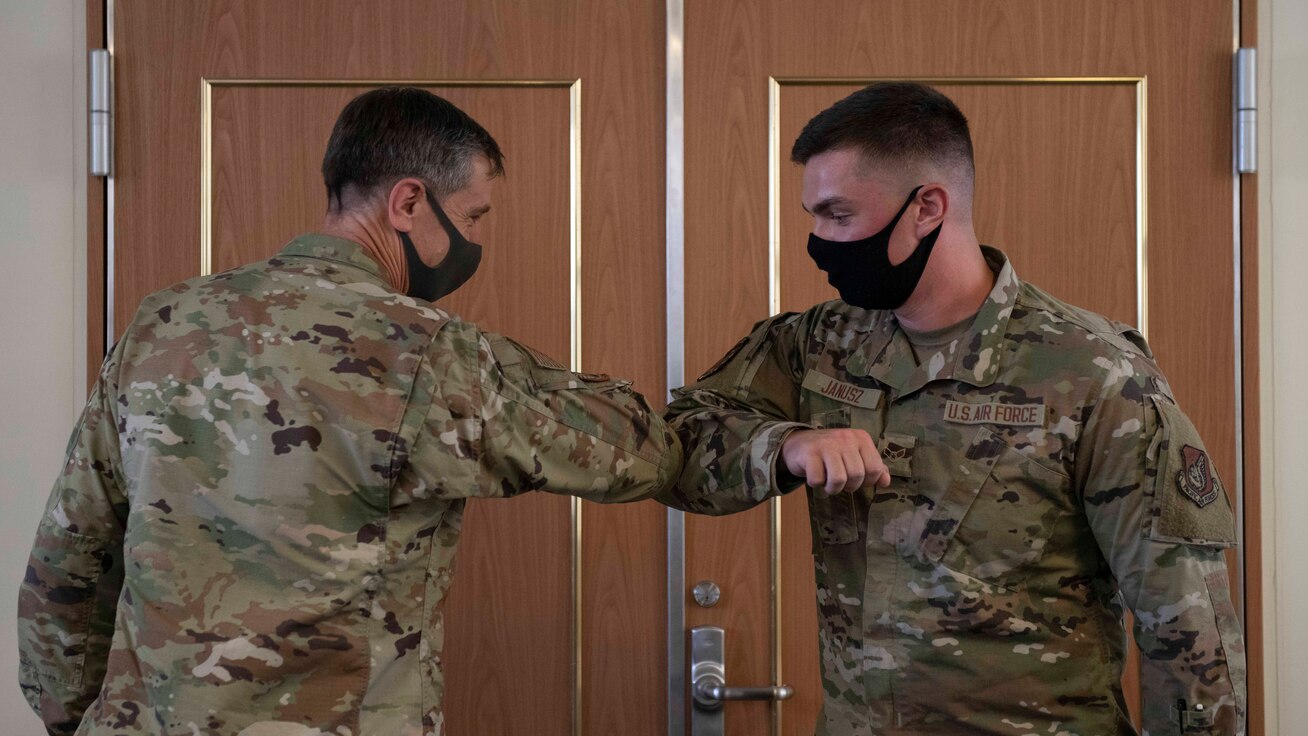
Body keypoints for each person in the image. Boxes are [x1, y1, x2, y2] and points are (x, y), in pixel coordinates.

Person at [17, 87, 682, 736]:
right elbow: (639, 453)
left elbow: (69, 557)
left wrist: (80, 718)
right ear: (409, 202)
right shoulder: (426, 352)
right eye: (474, 217)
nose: (476, 238)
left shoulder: (162, 323)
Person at [660, 82, 1245, 734]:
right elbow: (676, 443)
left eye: (838, 214)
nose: (819, 239)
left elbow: (1189, 633)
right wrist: (785, 444)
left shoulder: (1095, 374)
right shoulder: (817, 346)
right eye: (814, 216)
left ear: (927, 207)